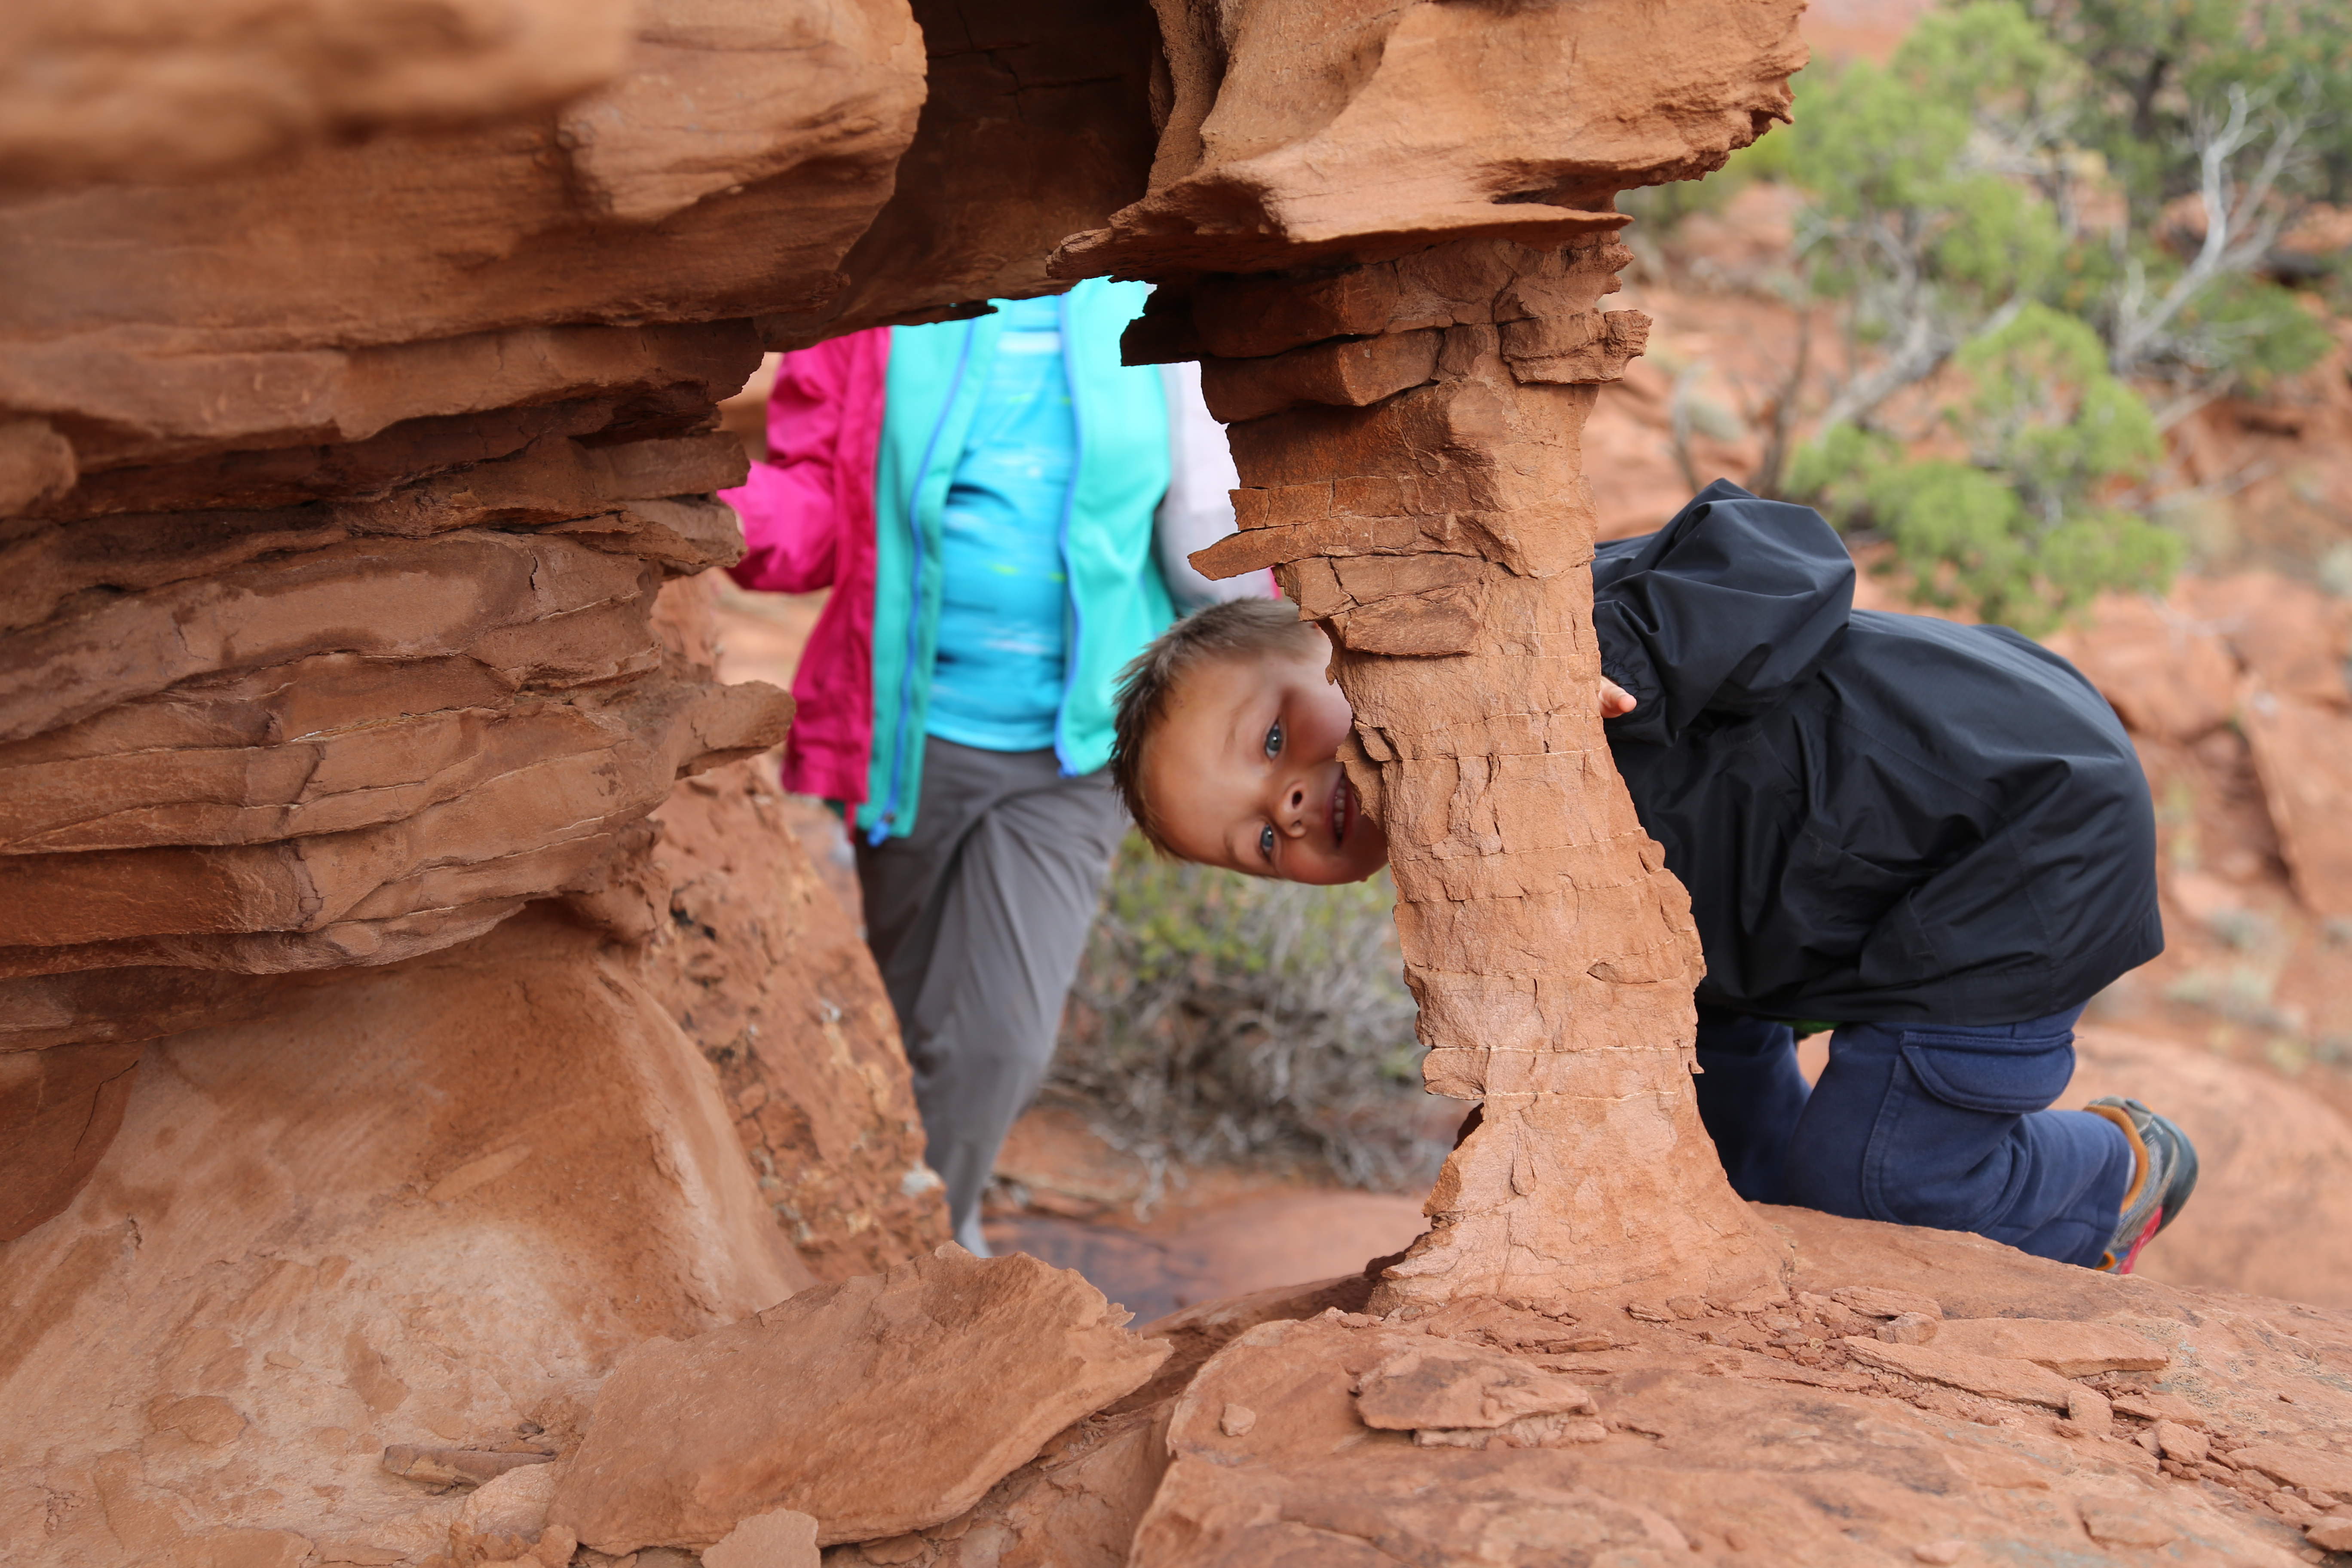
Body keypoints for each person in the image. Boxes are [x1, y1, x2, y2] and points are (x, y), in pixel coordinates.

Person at [1108, 480, 2199, 1273]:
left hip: (2016, 830)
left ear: (1328, 639)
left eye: (1267, 743)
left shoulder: (1522, 640)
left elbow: (1786, 552)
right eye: (1259, 842)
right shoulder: (1455, 848)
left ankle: (2113, 1175)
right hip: (1834, 917)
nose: (1289, 806)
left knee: (1874, 1182)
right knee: (1699, 1150)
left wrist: (1607, 655)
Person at [720, 282, 1267, 1256]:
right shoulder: (875, 312)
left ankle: (922, 1255)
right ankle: (934, 1230)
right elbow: (814, 514)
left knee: (995, 1041)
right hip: (910, 740)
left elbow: (1211, 524)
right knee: (915, 1024)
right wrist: (708, 498)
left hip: (1079, 745)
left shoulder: (1155, 299)